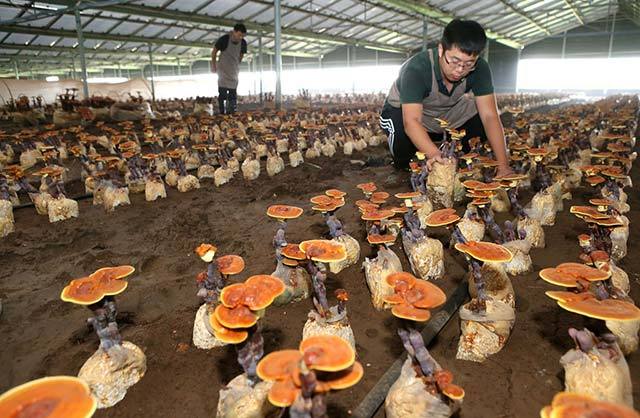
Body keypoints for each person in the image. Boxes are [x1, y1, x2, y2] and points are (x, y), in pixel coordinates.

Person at [379, 19, 512, 177]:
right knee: (405, 158)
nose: (459, 70)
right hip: (405, 113)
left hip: (447, 114)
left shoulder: (480, 68)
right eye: (454, 61)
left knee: (480, 124)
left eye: (469, 64)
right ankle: (406, 163)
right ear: (441, 49)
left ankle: (455, 158)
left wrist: (503, 166)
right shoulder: (417, 68)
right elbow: (411, 121)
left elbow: (490, 116)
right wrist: (435, 154)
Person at [211, 23, 247, 114]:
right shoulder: (224, 39)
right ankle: (222, 113)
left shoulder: (243, 43)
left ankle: (232, 113)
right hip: (222, 71)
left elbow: (241, 55)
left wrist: (236, 65)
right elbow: (214, 51)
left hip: (233, 72)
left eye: (242, 36)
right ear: (234, 32)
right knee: (222, 94)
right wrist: (214, 65)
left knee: (232, 94)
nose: (240, 37)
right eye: (239, 35)